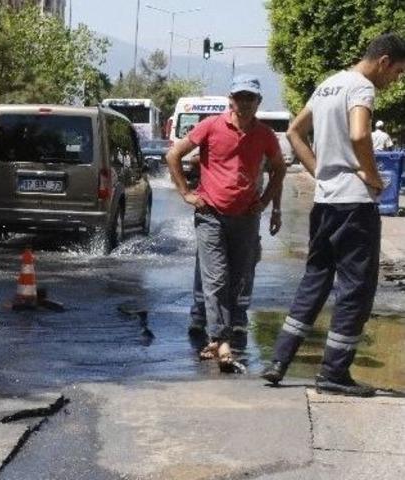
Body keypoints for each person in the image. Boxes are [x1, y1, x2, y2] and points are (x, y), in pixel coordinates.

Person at [261, 33, 405, 396]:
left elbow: (294, 131)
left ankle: (279, 360)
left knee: (316, 279)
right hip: (355, 205)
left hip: (326, 203)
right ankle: (334, 373)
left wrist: (320, 171)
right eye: (398, 73)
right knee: (356, 288)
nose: (396, 82)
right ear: (384, 61)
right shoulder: (361, 88)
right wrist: (372, 176)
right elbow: (359, 136)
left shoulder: (329, 85)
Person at [166, 74, 286, 373]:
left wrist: (269, 204)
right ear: (230, 99)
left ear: (258, 102)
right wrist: (186, 193)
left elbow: (279, 169)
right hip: (211, 216)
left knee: (238, 278)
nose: (244, 103)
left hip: (246, 218)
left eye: (251, 98)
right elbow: (173, 155)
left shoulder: (265, 135)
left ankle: (222, 334)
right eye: (240, 97)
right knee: (216, 278)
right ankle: (220, 339)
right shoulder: (210, 126)